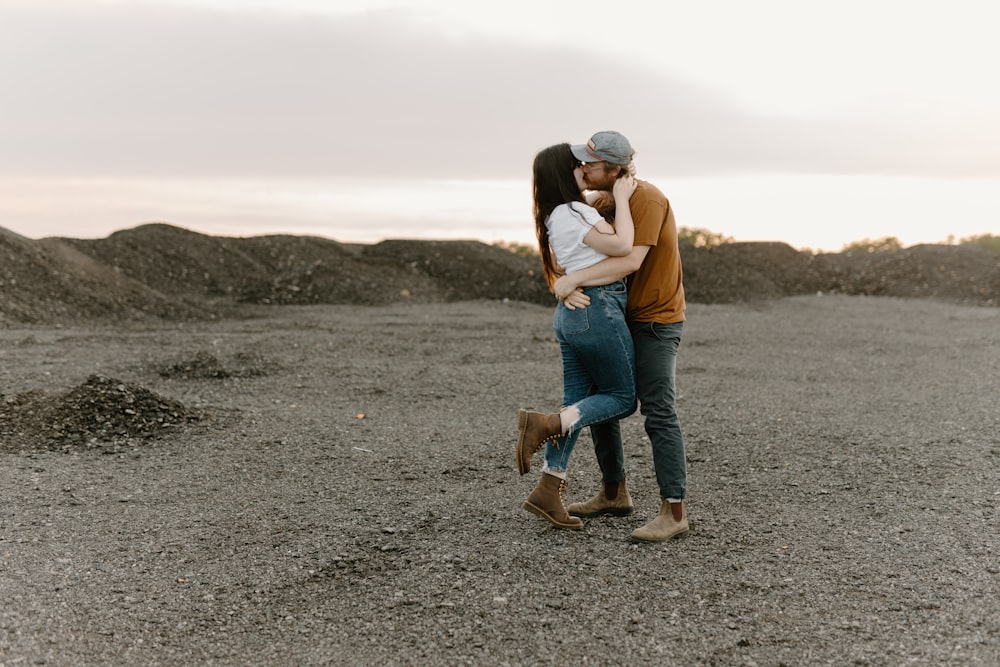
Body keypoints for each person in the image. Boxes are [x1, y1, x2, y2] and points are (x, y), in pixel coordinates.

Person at [554, 130, 689, 542]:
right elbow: (572, 252)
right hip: (616, 315)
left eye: (590, 164)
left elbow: (630, 261)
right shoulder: (600, 202)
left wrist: (573, 279)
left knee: (658, 410)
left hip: (654, 319)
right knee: (603, 398)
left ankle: (674, 511)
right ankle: (614, 493)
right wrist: (566, 281)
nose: (582, 169)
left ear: (614, 168)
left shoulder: (645, 198)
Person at [516, 142, 639, 530]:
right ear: (564, 173)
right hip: (597, 309)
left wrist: (568, 283)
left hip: (573, 313)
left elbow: (573, 264)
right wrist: (621, 197)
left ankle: (549, 490)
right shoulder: (575, 210)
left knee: (576, 405)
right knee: (622, 398)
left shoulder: (554, 215)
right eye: (578, 165)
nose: (586, 169)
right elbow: (622, 248)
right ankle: (546, 423)